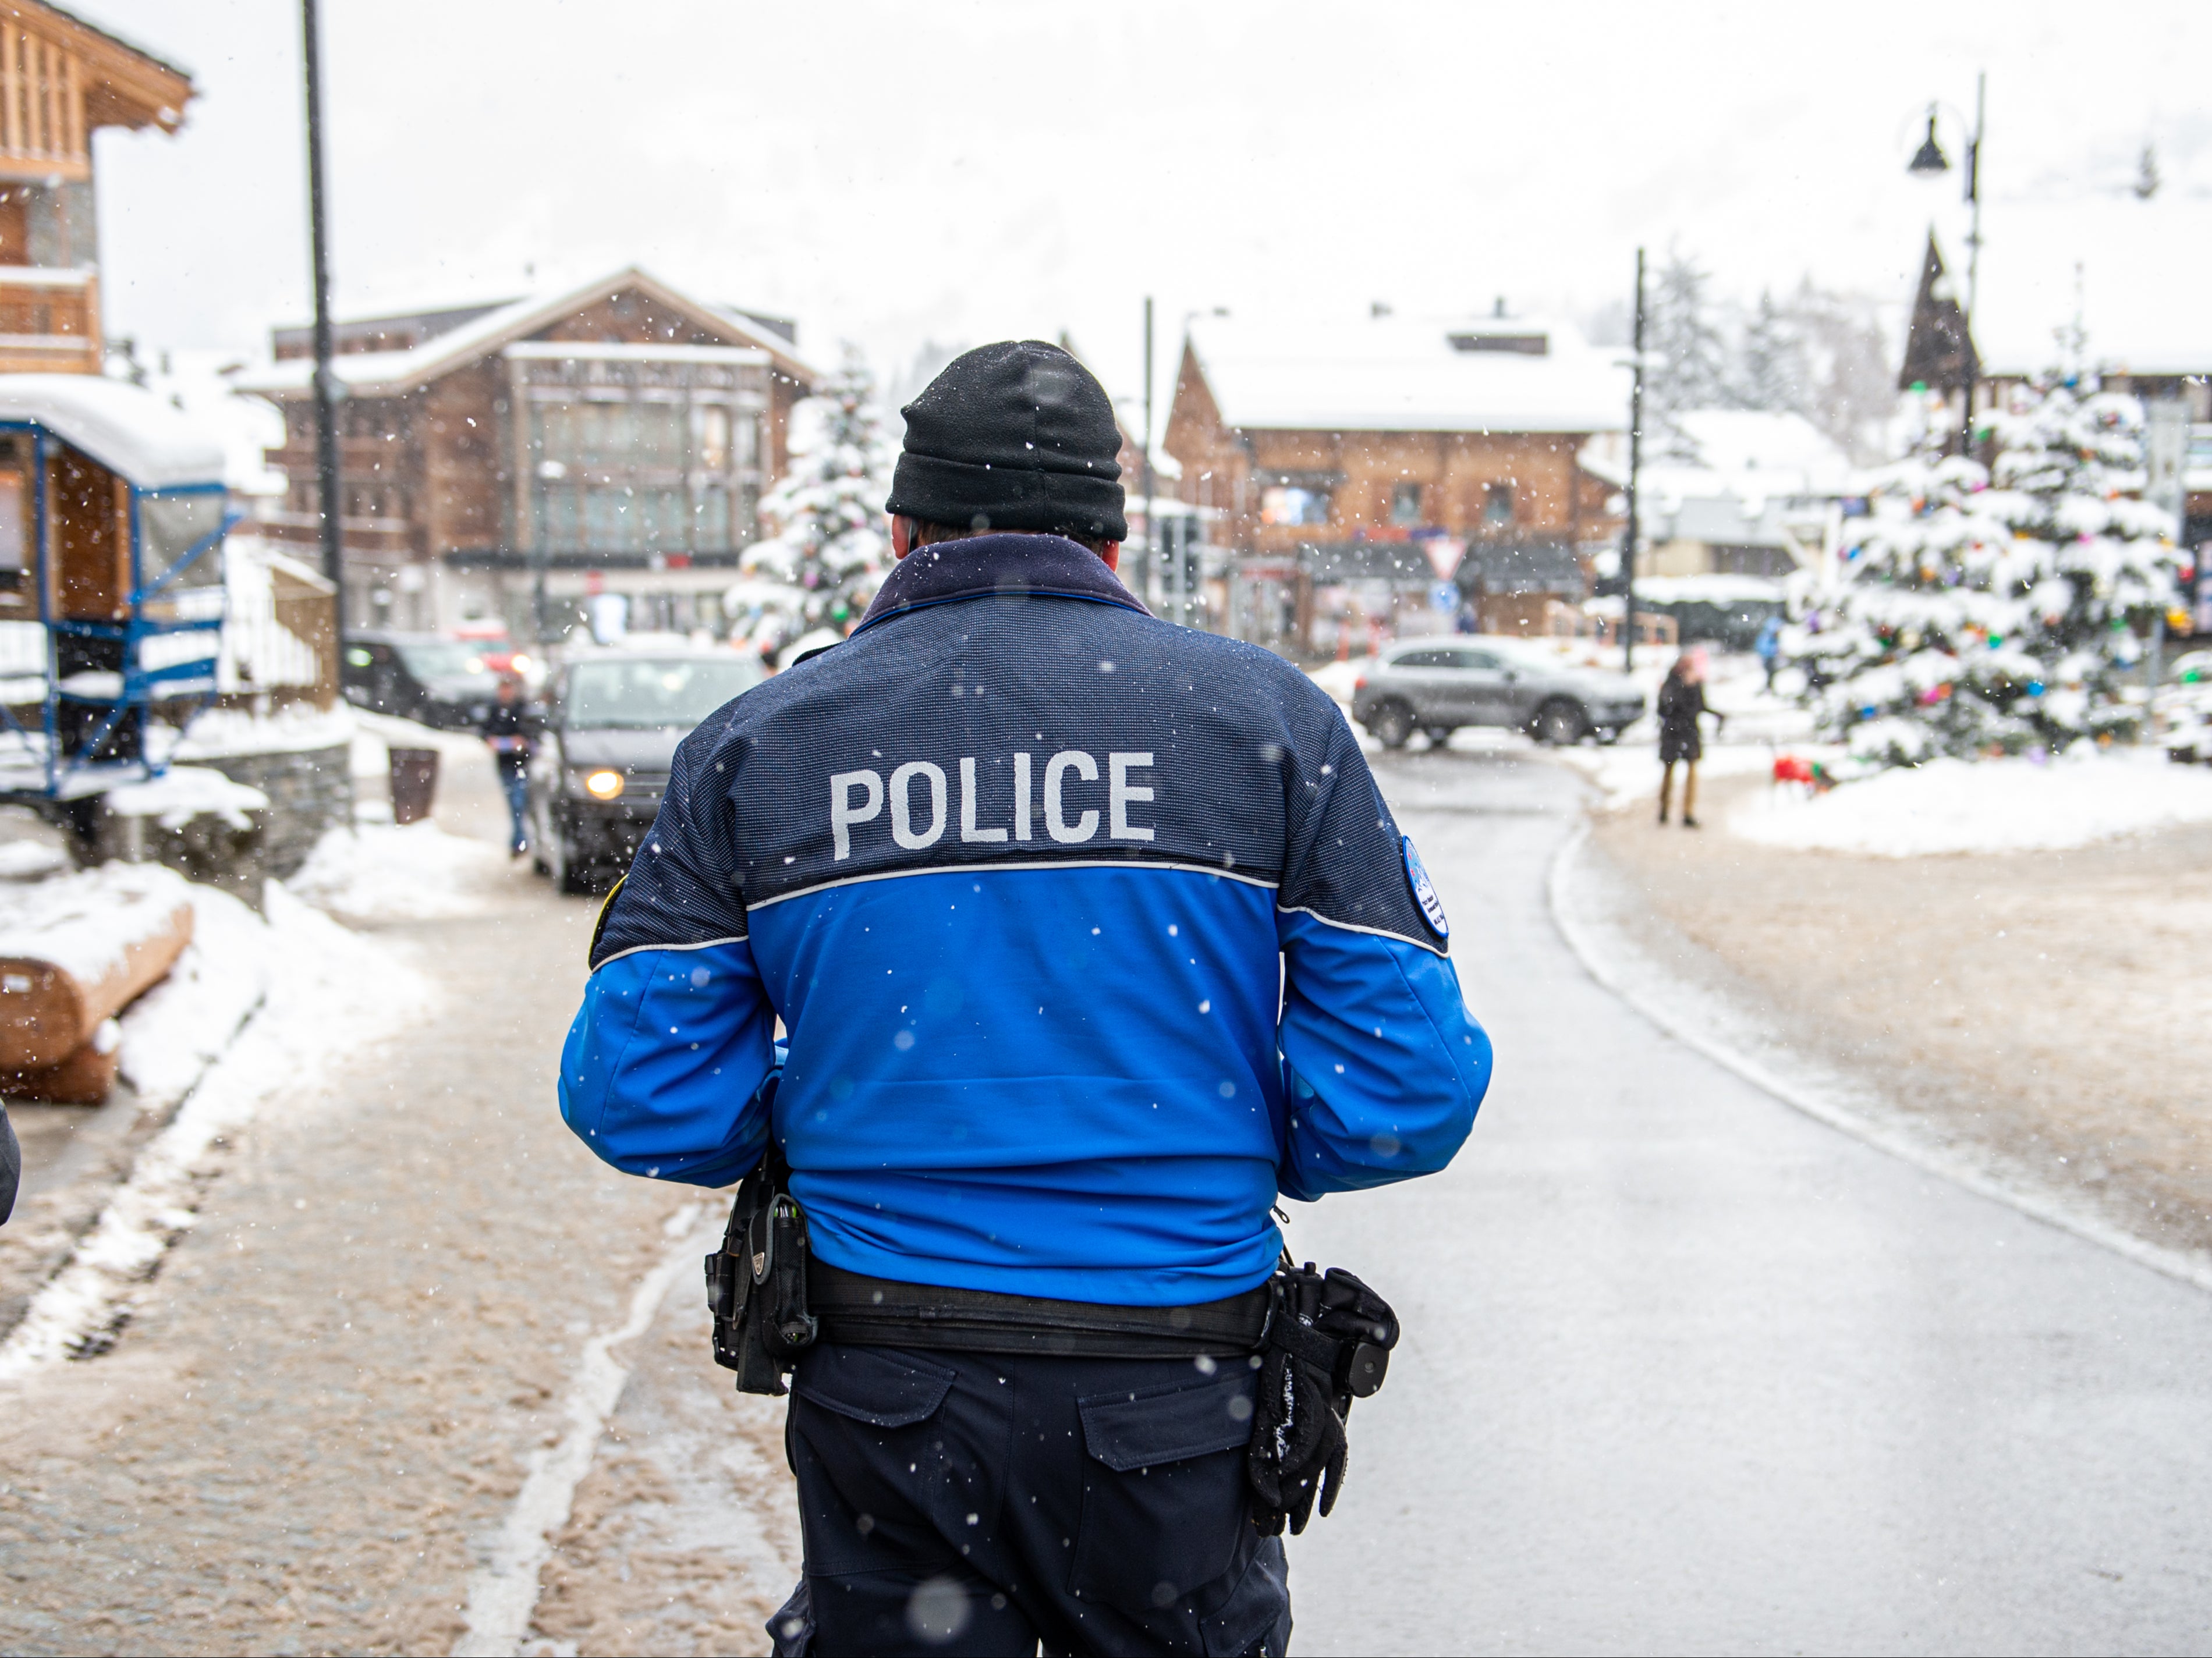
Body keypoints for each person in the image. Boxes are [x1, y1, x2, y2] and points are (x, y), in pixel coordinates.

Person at [558, 340, 1491, 1657]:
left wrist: (838, 1116)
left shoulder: (762, 743)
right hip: (1177, 1388)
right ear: (1110, 532)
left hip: (887, 1389)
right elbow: (1406, 1092)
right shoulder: (1266, 723)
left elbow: (634, 1095)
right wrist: (1198, 1135)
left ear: (900, 528)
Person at [1657, 646, 1721, 828]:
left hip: (1689, 733)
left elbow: (1699, 707)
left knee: (1692, 773)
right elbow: (1665, 708)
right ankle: (1664, 809)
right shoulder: (1671, 683)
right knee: (1669, 772)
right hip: (1673, 733)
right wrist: (1684, 688)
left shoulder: (1695, 683)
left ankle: (1688, 812)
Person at [478, 674, 533, 856]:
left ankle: (520, 841)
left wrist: (523, 742)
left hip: (522, 763)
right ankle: (519, 840)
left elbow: (533, 734)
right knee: (514, 802)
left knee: (519, 802)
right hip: (505, 763)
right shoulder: (494, 709)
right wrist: (492, 740)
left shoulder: (523, 709)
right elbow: (484, 730)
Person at [1754, 612, 1782, 690]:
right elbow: (1763, 648)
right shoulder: (1766, 637)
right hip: (1768, 658)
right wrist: (1773, 652)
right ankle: (1769, 688)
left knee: (1773, 673)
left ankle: (1771, 687)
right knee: (1770, 673)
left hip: (1771, 658)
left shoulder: (1773, 638)